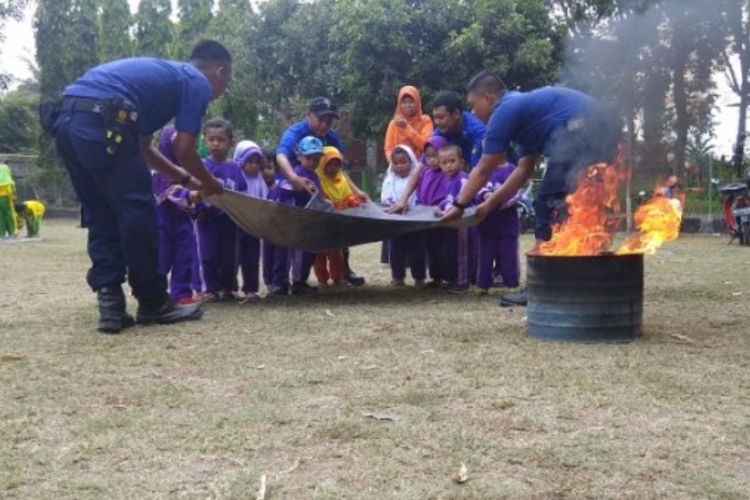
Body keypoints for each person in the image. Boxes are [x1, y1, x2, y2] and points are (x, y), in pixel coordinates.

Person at [50, 40, 230, 333]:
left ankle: (111, 306)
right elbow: (185, 148)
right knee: (139, 213)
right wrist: (211, 182)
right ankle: (153, 301)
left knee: (101, 215)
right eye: (228, 81)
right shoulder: (196, 82)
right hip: (103, 121)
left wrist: (187, 180)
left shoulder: (159, 84)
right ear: (219, 72)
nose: (224, 89)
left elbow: (145, 148)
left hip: (67, 122)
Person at [442, 70, 621, 307]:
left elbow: (485, 167)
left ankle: (541, 287)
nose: (472, 112)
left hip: (584, 129)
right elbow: (523, 170)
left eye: (473, 105)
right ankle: (581, 282)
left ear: (488, 98)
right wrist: (489, 204)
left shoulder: (505, 110)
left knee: (549, 205)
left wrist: (458, 205)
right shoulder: (522, 119)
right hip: (600, 130)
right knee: (576, 207)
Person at [276, 97, 366, 286]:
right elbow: (281, 155)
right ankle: (285, 282)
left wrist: (356, 190)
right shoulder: (295, 132)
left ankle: (343, 270)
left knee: (339, 228)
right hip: (293, 193)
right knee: (296, 239)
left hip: (322, 190)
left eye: (329, 120)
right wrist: (293, 179)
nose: (324, 124)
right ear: (308, 115)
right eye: (320, 119)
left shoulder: (331, 136)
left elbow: (339, 166)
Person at [193, 119, 247, 302]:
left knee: (229, 256)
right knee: (207, 255)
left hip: (229, 220)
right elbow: (194, 192)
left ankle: (228, 288)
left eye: (221, 139)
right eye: (211, 139)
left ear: (231, 142)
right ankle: (210, 289)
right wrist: (198, 210)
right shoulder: (200, 166)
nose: (215, 143)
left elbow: (242, 194)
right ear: (204, 140)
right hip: (206, 219)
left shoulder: (235, 168)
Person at [270, 136, 326, 296]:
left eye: (317, 158)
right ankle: (279, 284)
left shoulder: (315, 176)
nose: (313, 162)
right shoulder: (295, 173)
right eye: (309, 158)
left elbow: (318, 195)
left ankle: (299, 282)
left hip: (306, 224)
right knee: (283, 254)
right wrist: (298, 185)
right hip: (289, 221)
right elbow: (281, 189)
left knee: (306, 254)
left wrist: (323, 200)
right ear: (299, 157)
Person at [153, 125, 199, 305]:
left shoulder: (191, 172)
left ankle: (181, 293)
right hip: (162, 222)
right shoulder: (160, 172)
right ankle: (155, 292)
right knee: (160, 258)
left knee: (185, 257)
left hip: (184, 221)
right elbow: (171, 192)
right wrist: (194, 195)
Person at [313, 146, 369, 286]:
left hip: (337, 225)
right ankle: (322, 280)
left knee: (337, 253)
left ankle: (338, 279)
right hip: (320, 225)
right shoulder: (316, 181)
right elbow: (319, 200)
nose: (333, 168)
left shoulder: (342, 180)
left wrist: (356, 204)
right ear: (321, 164)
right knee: (319, 254)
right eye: (329, 164)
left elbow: (349, 196)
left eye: (336, 165)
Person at [380, 145, 426, 287]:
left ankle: (419, 278)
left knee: (417, 250)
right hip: (396, 222)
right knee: (395, 250)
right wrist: (393, 205)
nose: (400, 166)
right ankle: (398, 277)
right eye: (396, 163)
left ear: (411, 162)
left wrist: (409, 206)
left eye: (404, 162)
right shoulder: (389, 180)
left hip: (415, 222)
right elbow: (385, 198)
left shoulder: (417, 178)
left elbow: (420, 196)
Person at [473, 161, 521, 294]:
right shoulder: (482, 168)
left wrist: (499, 200)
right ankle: (483, 285)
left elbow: (518, 191)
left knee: (508, 254)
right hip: (486, 222)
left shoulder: (513, 169)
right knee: (485, 255)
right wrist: (484, 195)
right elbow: (474, 187)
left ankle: (511, 284)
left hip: (507, 222)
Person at [435, 144, 474, 293]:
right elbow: (449, 199)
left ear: (461, 162)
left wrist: (449, 209)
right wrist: (441, 206)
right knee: (451, 251)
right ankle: (452, 278)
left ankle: (462, 282)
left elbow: (462, 199)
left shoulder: (463, 179)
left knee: (462, 252)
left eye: (452, 161)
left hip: (462, 224)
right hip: (450, 223)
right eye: (444, 163)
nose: (448, 166)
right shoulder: (450, 180)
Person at [234, 140, 267, 303]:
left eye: (256, 162)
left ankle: (250, 289)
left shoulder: (259, 181)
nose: (253, 166)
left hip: (253, 226)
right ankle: (229, 287)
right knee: (232, 257)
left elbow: (265, 201)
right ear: (239, 160)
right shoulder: (234, 178)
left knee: (252, 258)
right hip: (235, 226)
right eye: (249, 162)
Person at [431, 91, 486, 169]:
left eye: (440, 117)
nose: (436, 122)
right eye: (434, 118)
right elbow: (424, 161)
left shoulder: (478, 132)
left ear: (456, 114)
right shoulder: (441, 130)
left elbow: (479, 170)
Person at [383, 86, 434, 161]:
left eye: (411, 102)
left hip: (420, 167)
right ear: (399, 104)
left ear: (417, 102)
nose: (408, 105)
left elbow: (426, 146)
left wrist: (406, 128)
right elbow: (388, 149)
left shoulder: (425, 120)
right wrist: (394, 164)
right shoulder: (394, 123)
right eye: (404, 102)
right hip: (398, 168)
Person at [0, 164, 18, 239]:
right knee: (10, 216)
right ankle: (12, 233)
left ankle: (1, 234)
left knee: (0, 217)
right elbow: (11, 191)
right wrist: (13, 198)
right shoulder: (8, 181)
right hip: (6, 199)